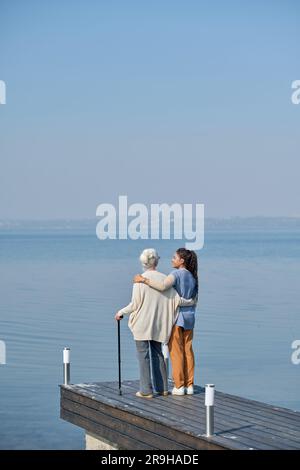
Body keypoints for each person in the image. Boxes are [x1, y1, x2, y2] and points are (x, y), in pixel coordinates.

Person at [115, 248, 195, 398]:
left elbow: (134, 305)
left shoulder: (140, 279)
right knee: (158, 354)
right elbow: (176, 300)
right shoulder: (165, 278)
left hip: (142, 324)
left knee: (143, 355)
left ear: (143, 262)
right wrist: (191, 301)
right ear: (156, 261)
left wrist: (120, 312)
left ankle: (145, 390)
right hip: (159, 324)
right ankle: (162, 388)